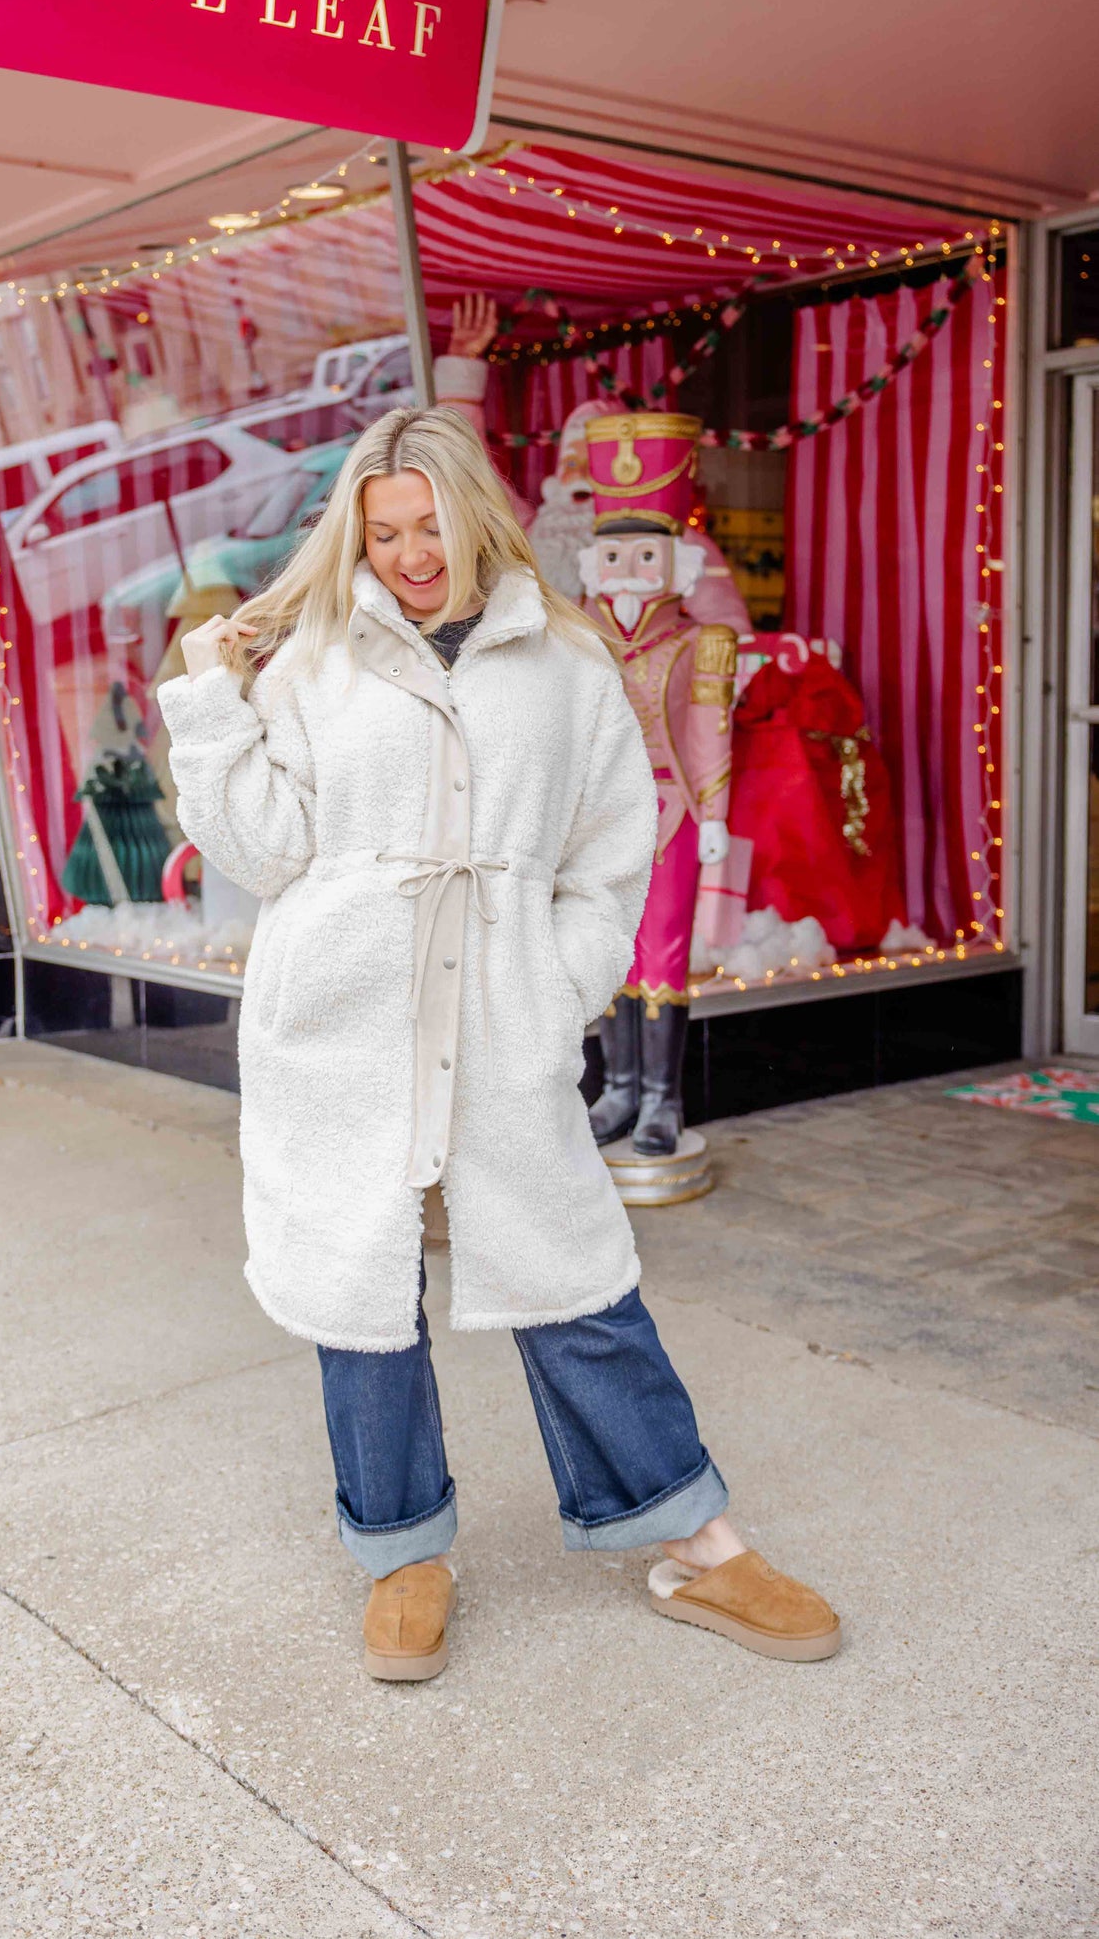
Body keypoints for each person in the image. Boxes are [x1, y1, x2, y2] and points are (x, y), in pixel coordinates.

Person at [158, 396, 840, 1680]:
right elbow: (262, 852)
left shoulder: (568, 666)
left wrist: (559, 983)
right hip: (340, 1020)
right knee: (361, 1290)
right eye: (383, 535)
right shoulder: (311, 663)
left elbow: (608, 858)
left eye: (430, 525)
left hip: (501, 1014)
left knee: (570, 1265)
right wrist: (212, 705)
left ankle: (692, 1538)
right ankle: (399, 1552)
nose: (412, 555)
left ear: (476, 516)